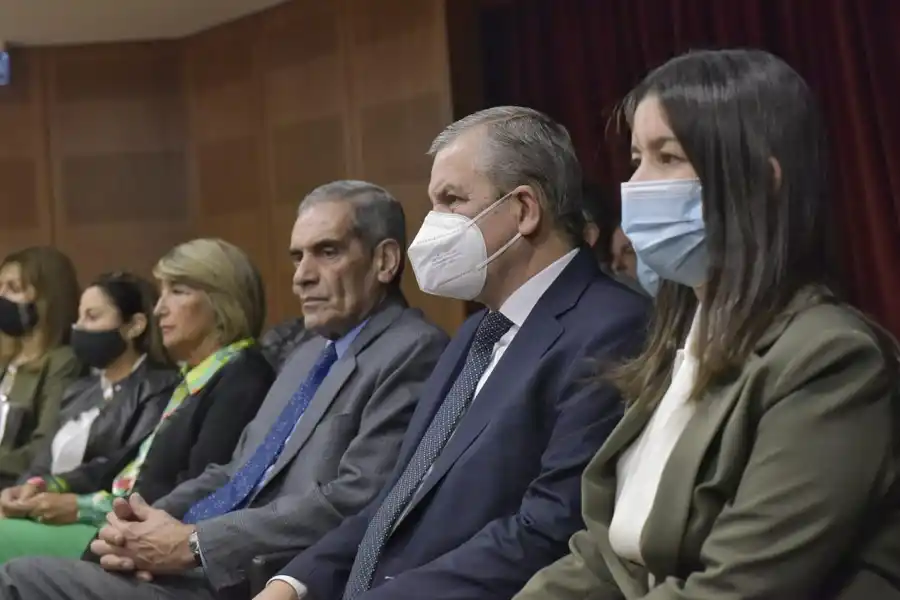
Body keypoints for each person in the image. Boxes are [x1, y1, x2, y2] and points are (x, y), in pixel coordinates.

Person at [514, 49, 900, 600]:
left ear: (760, 182)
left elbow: (737, 588)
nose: (637, 185)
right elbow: (607, 554)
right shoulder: (679, 341)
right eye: (635, 158)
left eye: (666, 157)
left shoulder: (832, 359)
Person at [257, 106, 649, 600]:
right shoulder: (476, 333)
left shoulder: (611, 326)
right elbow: (399, 498)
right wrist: (294, 583)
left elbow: (548, 530)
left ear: (524, 209)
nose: (432, 225)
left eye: (452, 201)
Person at [0, 180, 452, 600]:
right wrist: (139, 524)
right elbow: (234, 471)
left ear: (385, 261)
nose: (302, 276)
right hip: (191, 561)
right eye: (297, 257)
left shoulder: (413, 351)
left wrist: (195, 544)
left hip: (256, 578)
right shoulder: (307, 354)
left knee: (18, 579)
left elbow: (352, 502)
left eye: (327, 252)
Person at [0, 239, 276, 561]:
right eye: (162, 291)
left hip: (140, 540)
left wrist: (82, 507)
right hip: (111, 521)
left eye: (178, 291)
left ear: (221, 300)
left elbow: (196, 489)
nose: (159, 308)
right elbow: (123, 462)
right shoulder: (195, 375)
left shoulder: (243, 377)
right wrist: (52, 485)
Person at [0, 271, 179, 562]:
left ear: (134, 326)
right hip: (44, 508)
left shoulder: (159, 387)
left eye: (92, 317)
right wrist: (24, 488)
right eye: (79, 318)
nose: (79, 328)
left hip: (96, 519)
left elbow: (124, 466)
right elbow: (43, 460)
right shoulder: (80, 389)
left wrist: (61, 500)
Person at [0, 247, 84, 489]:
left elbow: (43, 447)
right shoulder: (6, 361)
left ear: (47, 299)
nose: (2, 296)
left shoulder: (64, 361)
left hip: (18, 486)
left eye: (13, 289)